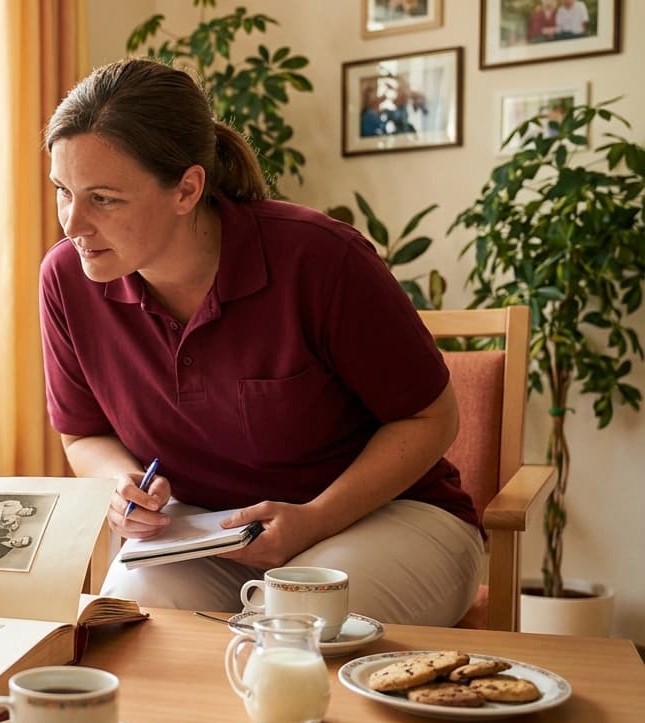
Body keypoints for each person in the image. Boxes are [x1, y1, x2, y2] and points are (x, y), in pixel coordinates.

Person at [38, 58, 482, 628]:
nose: (72, 224)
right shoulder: (67, 280)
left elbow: (431, 417)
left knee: (291, 629)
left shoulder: (321, 259)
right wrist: (119, 487)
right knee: (129, 621)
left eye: (103, 198)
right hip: (208, 533)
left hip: (391, 518)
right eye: (62, 191)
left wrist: (316, 518)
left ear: (187, 189)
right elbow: (83, 432)